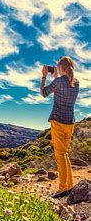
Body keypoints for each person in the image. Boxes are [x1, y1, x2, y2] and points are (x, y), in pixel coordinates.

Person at [41, 56, 80, 198]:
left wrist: (44, 76)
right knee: (65, 154)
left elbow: (44, 93)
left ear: (61, 68)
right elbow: (63, 84)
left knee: (60, 155)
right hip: (70, 123)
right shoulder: (76, 83)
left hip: (58, 121)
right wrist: (57, 76)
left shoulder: (58, 82)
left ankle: (63, 187)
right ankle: (69, 185)